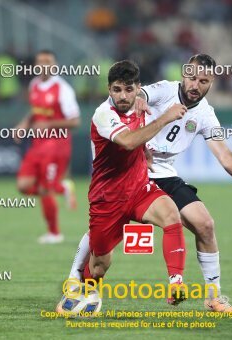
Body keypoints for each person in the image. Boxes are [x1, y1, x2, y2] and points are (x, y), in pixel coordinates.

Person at [66, 54, 232, 313]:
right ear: (184, 74)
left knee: (205, 225)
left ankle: (213, 296)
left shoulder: (207, 115)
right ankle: (76, 276)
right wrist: (140, 106)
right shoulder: (163, 90)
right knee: (103, 231)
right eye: (192, 78)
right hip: (129, 171)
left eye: (203, 81)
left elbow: (224, 154)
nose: (196, 85)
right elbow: (139, 97)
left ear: (211, 83)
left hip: (163, 175)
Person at [57, 60, 189, 312]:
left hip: (139, 188)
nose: (123, 96)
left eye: (129, 89)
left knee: (172, 214)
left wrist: (146, 152)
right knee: (99, 266)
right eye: (117, 89)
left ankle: (176, 283)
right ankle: (81, 287)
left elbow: (137, 141)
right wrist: (165, 118)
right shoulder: (103, 114)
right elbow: (128, 141)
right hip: (108, 196)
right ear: (109, 89)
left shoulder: (141, 105)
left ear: (138, 88)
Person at [15, 50, 80, 244]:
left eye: (48, 61)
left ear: (55, 65)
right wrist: (24, 125)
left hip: (56, 145)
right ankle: (62, 188)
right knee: (23, 186)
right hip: (37, 144)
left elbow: (75, 121)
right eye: (40, 61)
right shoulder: (34, 84)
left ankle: (54, 233)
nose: (43, 65)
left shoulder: (63, 89)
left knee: (44, 189)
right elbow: (35, 112)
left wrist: (49, 125)